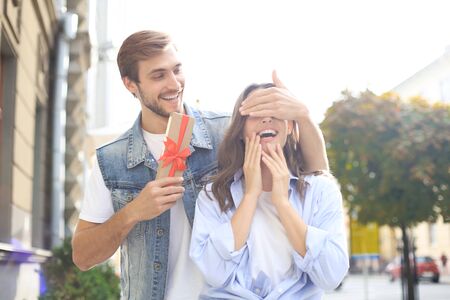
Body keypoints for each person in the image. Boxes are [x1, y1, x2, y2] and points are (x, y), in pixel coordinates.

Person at [71, 30, 329, 300]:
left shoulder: (225, 132)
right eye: (158, 76)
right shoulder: (112, 161)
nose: (174, 84)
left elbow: (313, 176)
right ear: (130, 84)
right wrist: (133, 212)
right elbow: (83, 256)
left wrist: (303, 116)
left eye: (177, 70)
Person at [190, 83, 349, 299]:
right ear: (240, 130)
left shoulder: (321, 191)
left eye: (276, 111)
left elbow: (330, 277)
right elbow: (214, 273)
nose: (266, 118)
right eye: (255, 113)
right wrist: (250, 196)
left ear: (291, 126)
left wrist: (282, 202)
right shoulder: (213, 195)